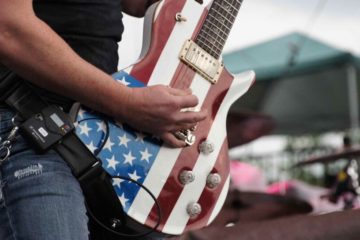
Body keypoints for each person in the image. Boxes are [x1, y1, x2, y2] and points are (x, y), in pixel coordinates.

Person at [0, 0, 208, 239]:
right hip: (29, 127)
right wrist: (128, 103)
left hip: (95, 131)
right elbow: (8, 29)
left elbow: (139, 5)